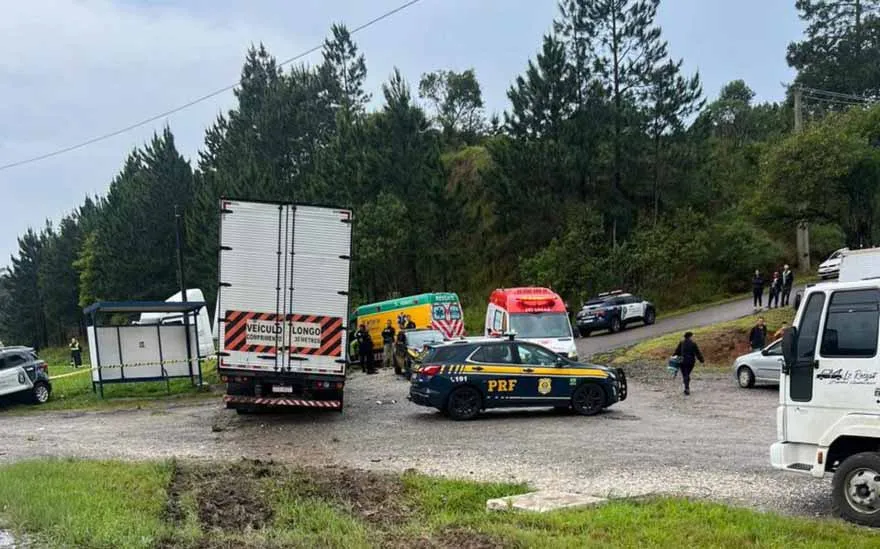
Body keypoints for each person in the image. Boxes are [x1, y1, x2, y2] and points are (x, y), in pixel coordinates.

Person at [673, 331, 704, 396]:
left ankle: (686, 387)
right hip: (690, 361)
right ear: (690, 336)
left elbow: (677, 352)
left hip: (682, 361)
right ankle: (687, 387)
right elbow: (697, 353)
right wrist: (701, 360)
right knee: (687, 374)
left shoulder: (681, 343)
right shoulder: (693, 343)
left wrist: (673, 359)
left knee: (685, 374)